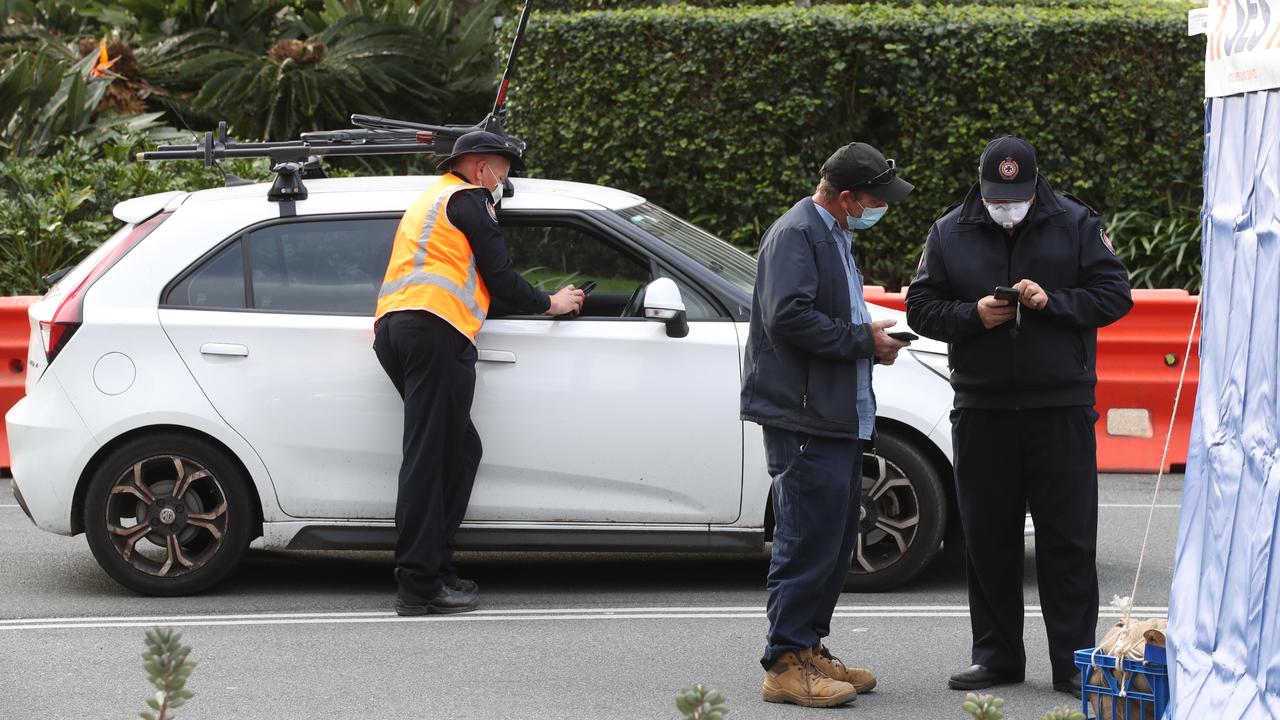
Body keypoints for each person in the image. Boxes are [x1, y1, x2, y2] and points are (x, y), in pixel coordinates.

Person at [904, 135, 1133, 695]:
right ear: (981, 187)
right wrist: (972, 314)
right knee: (988, 537)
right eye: (996, 196)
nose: (1006, 207)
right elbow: (920, 306)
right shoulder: (949, 229)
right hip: (983, 407)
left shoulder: (1076, 223)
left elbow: (1114, 294)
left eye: (1016, 195)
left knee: (1069, 541)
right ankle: (998, 656)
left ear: (1035, 185)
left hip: (1061, 406)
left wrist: (1051, 301)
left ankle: (1073, 663)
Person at [373, 130, 584, 616]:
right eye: (503, 170)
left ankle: (435, 566)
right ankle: (420, 584)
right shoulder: (470, 199)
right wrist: (553, 303)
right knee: (429, 456)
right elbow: (502, 280)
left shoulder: (433, 198)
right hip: (435, 330)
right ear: (479, 166)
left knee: (459, 449)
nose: (504, 182)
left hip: (400, 330)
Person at [741, 142, 914, 708]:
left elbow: (824, 312)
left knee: (835, 540)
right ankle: (784, 662)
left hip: (833, 410)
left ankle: (808, 647)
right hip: (805, 414)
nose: (878, 208)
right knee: (805, 539)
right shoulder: (797, 233)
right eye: (872, 199)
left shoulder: (832, 232)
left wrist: (867, 331)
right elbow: (788, 316)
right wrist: (864, 339)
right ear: (844, 197)